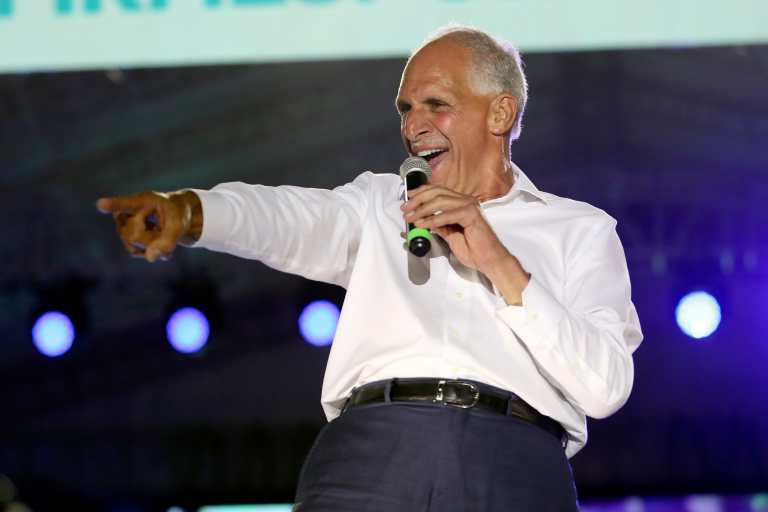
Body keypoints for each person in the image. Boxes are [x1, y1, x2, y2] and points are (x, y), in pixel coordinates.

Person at [97, 25, 642, 511]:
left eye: (436, 104)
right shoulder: (378, 203)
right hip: (372, 454)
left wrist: (500, 263)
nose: (414, 127)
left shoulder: (580, 230)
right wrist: (189, 211)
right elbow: (284, 217)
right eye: (406, 109)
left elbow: (605, 386)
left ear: (500, 113)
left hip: (515, 463)